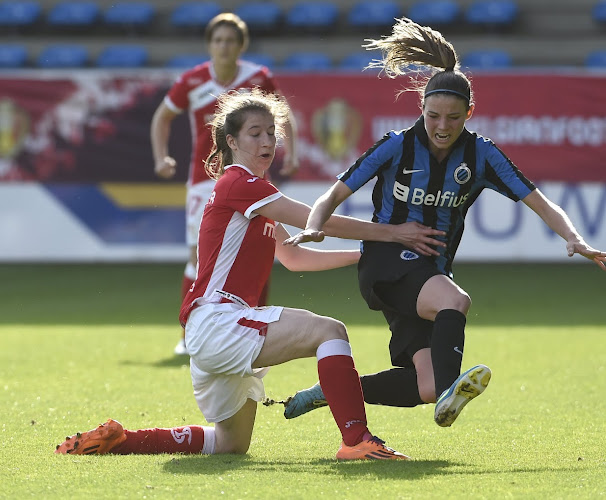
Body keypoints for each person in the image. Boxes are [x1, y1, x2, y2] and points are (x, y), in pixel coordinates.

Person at [55, 88, 447, 460]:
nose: (267, 142)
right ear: (231, 141)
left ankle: (122, 441)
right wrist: (393, 234)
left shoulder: (253, 194)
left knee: (229, 444)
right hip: (219, 320)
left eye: (272, 134)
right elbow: (314, 218)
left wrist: (369, 254)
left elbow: (295, 259)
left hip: (213, 330)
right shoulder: (239, 183)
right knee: (330, 331)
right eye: (255, 133)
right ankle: (357, 440)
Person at [280, 18, 606, 427]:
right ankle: (454, 388)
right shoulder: (396, 145)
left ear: (469, 112)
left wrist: (575, 239)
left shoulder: (482, 155)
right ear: (422, 109)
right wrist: (315, 225)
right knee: (456, 302)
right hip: (385, 263)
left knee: (427, 386)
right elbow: (333, 194)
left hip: (428, 273)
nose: (442, 126)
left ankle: (331, 392)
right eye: (434, 115)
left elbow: (540, 202)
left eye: (453, 117)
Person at [151, 12, 299, 356]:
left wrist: (291, 151)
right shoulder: (192, 80)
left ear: (241, 46)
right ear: (210, 45)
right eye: (218, 40)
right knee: (197, 258)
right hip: (205, 183)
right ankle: (189, 335)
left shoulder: (258, 77)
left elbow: (283, 114)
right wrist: (161, 157)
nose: (224, 46)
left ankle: (256, 325)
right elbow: (162, 116)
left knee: (260, 253)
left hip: (251, 183)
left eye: (231, 40)